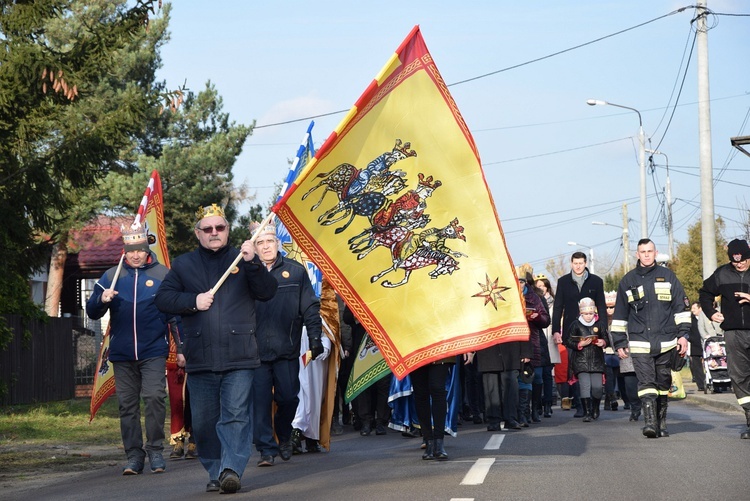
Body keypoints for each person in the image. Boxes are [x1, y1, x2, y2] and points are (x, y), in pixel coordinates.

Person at [154, 204, 278, 494]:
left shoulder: (243, 258)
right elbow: (163, 300)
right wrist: (192, 301)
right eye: (207, 229)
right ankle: (214, 468)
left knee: (235, 416)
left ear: (227, 230)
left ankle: (231, 469)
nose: (214, 233)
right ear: (198, 234)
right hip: (200, 357)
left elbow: (267, 291)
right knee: (206, 423)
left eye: (219, 228)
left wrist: (253, 263)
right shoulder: (184, 265)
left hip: (240, 354)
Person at [86, 222, 182, 475]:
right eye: (131, 250)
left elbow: (175, 316)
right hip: (122, 352)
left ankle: (155, 451)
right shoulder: (111, 276)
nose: (136, 254)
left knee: (153, 398)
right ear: (124, 251)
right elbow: (92, 311)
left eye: (140, 249)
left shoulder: (163, 274)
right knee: (127, 406)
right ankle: (134, 456)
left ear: (146, 247)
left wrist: (181, 349)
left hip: (153, 351)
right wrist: (101, 299)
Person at [250, 222, 326, 466]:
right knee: (260, 403)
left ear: (277, 243)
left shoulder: (296, 271)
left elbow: (310, 308)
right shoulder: (247, 273)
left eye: (269, 242)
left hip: (287, 348)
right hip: (255, 351)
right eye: (260, 243)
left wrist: (315, 338)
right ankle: (265, 449)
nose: (265, 247)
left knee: (288, 398)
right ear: (255, 247)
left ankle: (283, 436)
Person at [611, 239, 690, 438]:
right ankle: (650, 424)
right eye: (642, 252)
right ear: (637, 254)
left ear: (655, 253)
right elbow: (619, 314)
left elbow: (681, 308)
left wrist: (683, 335)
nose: (646, 255)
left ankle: (661, 422)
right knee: (646, 381)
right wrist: (620, 342)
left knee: (663, 383)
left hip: (667, 342)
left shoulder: (668, 276)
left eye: (649, 251)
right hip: (639, 342)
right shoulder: (628, 281)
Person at [698, 238, 750, 439]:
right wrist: (711, 312)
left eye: (743, 260)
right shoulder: (722, 273)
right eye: (735, 261)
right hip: (733, 333)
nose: (739, 264)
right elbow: (704, 293)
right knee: (739, 376)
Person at [551, 252, 607, 418]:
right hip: (572, 332)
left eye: (581, 263)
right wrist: (556, 330)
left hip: (593, 332)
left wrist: (603, 330)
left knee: (593, 368)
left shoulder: (596, 281)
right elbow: (558, 307)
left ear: (585, 263)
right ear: (571, 263)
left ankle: (593, 405)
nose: (578, 266)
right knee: (575, 368)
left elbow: (602, 307)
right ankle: (581, 406)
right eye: (575, 263)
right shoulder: (563, 282)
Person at [411, 353, 472, 460]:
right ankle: (428, 441)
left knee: (437, 389)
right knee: (420, 394)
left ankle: (439, 443)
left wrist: (468, 348)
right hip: (416, 349)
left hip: (441, 348)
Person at [565, 298, 608, 422]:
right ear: (581, 313)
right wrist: (579, 344)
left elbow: (606, 338)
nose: (589, 317)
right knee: (584, 386)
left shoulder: (599, 324)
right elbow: (568, 340)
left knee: (597, 387)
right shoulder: (575, 324)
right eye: (586, 314)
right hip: (580, 361)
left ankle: (595, 408)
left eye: (591, 314)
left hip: (596, 361)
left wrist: (603, 342)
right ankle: (587, 412)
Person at [689, 302, 707, 392]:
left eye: (694, 309)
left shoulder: (706, 317)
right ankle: (701, 384)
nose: (692, 311)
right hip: (695, 345)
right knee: (696, 366)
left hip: (706, 344)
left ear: (700, 308)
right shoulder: (690, 320)